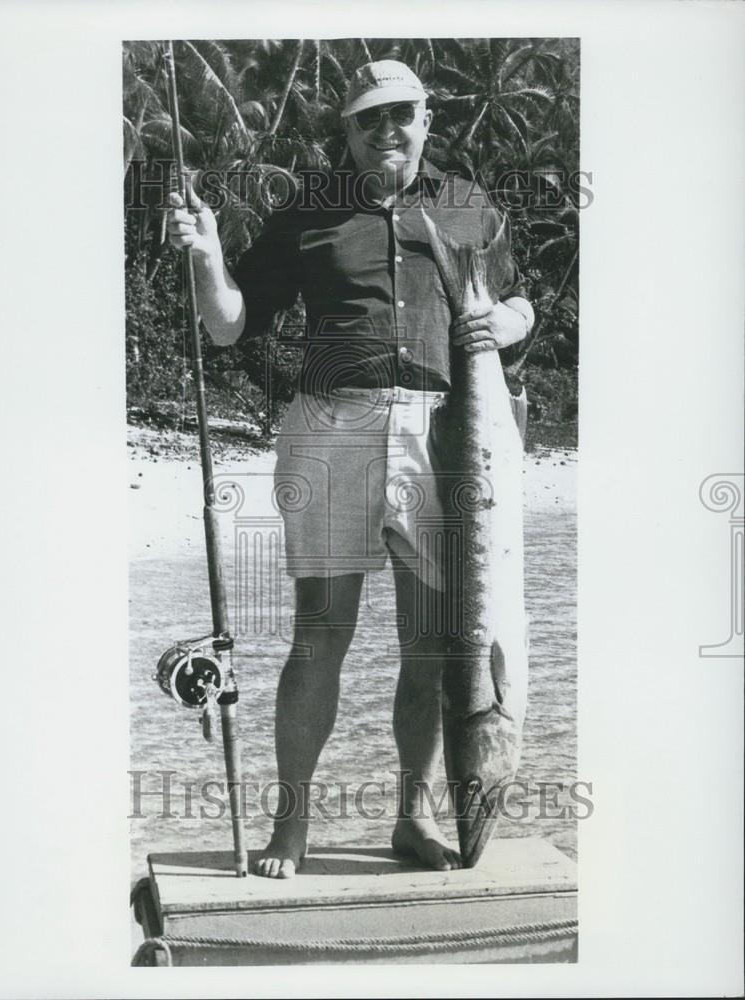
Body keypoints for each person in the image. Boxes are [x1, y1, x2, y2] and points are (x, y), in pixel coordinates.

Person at [167, 60, 534, 878]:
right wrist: (206, 250)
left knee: (436, 645)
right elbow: (229, 325)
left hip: (448, 436)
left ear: (427, 118)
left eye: (401, 114)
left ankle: (413, 818)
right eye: (369, 119)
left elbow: (521, 302)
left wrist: (504, 323)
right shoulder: (308, 212)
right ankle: (290, 827)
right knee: (318, 639)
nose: (387, 131)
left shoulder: (471, 206)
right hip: (333, 427)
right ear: (348, 130)